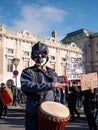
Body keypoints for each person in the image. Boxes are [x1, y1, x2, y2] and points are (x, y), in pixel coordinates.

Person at [20, 41, 66, 130]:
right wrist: (50, 85)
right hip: (34, 115)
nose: (40, 57)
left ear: (47, 55)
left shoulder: (53, 73)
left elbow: (57, 92)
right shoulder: (28, 72)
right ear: (32, 56)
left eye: (43, 54)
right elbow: (26, 86)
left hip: (51, 114)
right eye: (37, 54)